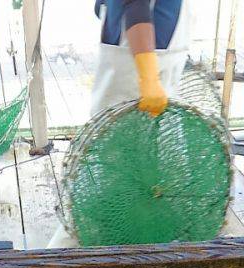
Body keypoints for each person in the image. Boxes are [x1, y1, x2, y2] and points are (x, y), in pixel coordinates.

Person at [48, 0, 191, 248]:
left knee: (159, 183)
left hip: (157, 72)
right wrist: (148, 76)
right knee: (109, 182)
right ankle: (52, 267)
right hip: (135, 76)